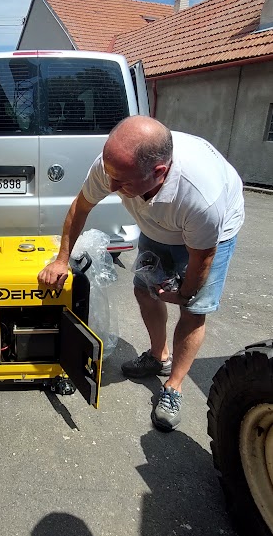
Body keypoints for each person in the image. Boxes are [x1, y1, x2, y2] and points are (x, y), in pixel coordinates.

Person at [38, 116, 244, 433]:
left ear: (159, 172)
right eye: (111, 176)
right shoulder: (113, 167)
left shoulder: (201, 198)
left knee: (193, 310)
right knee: (145, 290)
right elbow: (80, 207)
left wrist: (184, 293)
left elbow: (202, 258)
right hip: (156, 224)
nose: (112, 187)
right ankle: (159, 357)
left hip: (209, 235)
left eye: (122, 182)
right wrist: (61, 259)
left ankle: (174, 386)